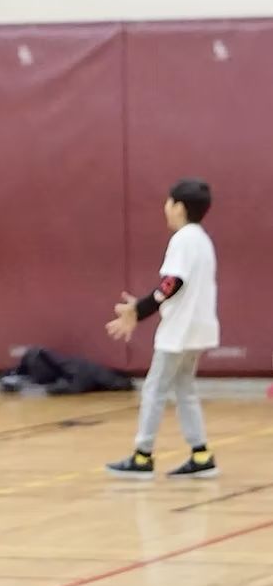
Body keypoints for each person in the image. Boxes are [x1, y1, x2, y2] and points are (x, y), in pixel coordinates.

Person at [105, 178, 220, 478]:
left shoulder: (183, 239)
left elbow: (172, 283)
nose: (165, 209)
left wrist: (139, 309)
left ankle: (142, 456)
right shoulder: (202, 239)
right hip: (197, 330)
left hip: (179, 332)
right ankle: (201, 453)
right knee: (185, 390)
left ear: (179, 207)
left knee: (155, 389)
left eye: (168, 203)